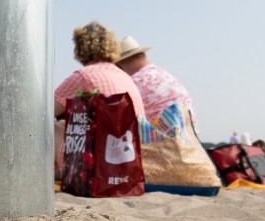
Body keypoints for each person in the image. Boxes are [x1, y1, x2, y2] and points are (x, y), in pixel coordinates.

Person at [53, 21, 146, 178]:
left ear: (79, 48)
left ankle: (50, 174)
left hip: (93, 169)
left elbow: (45, 112)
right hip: (125, 166)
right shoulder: (125, 77)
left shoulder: (83, 76)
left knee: (53, 127)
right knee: (63, 125)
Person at [112, 35, 198, 123]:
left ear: (120, 65)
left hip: (164, 136)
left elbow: (115, 115)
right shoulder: (163, 75)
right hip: (188, 134)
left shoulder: (136, 82)